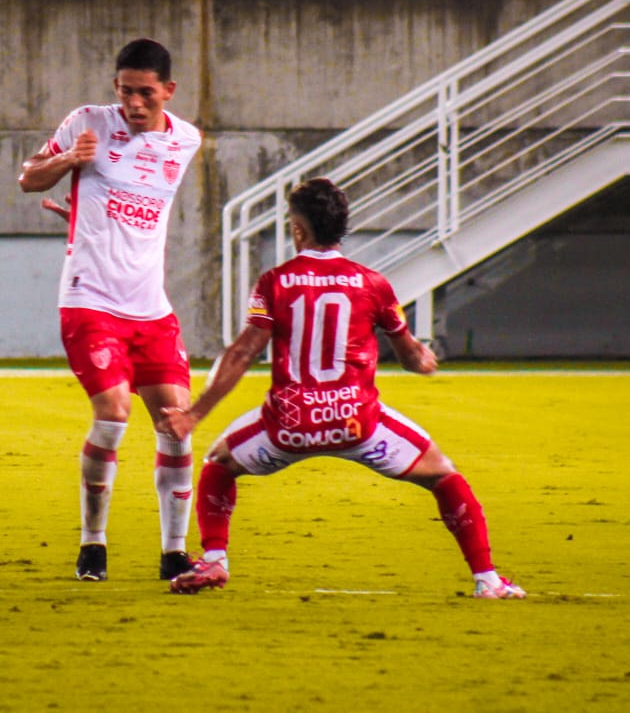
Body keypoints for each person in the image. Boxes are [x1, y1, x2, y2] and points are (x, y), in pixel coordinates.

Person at [158, 178, 526, 599]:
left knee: (218, 465)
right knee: (445, 477)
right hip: (358, 424)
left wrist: (194, 414)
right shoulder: (373, 284)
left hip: (289, 426)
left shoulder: (275, 282)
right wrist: (421, 359)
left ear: (298, 230)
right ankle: (487, 580)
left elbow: (242, 353)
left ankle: (215, 560)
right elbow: (408, 354)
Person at [18, 38, 201, 583]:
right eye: (125, 91)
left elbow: (135, 212)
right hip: (89, 299)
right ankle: (92, 544)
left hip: (150, 307)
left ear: (168, 90)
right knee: (115, 414)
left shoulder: (186, 140)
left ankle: (173, 551)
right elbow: (28, 176)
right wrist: (65, 160)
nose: (134, 103)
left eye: (146, 93)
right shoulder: (87, 123)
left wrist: (84, 216)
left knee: (177, 425)